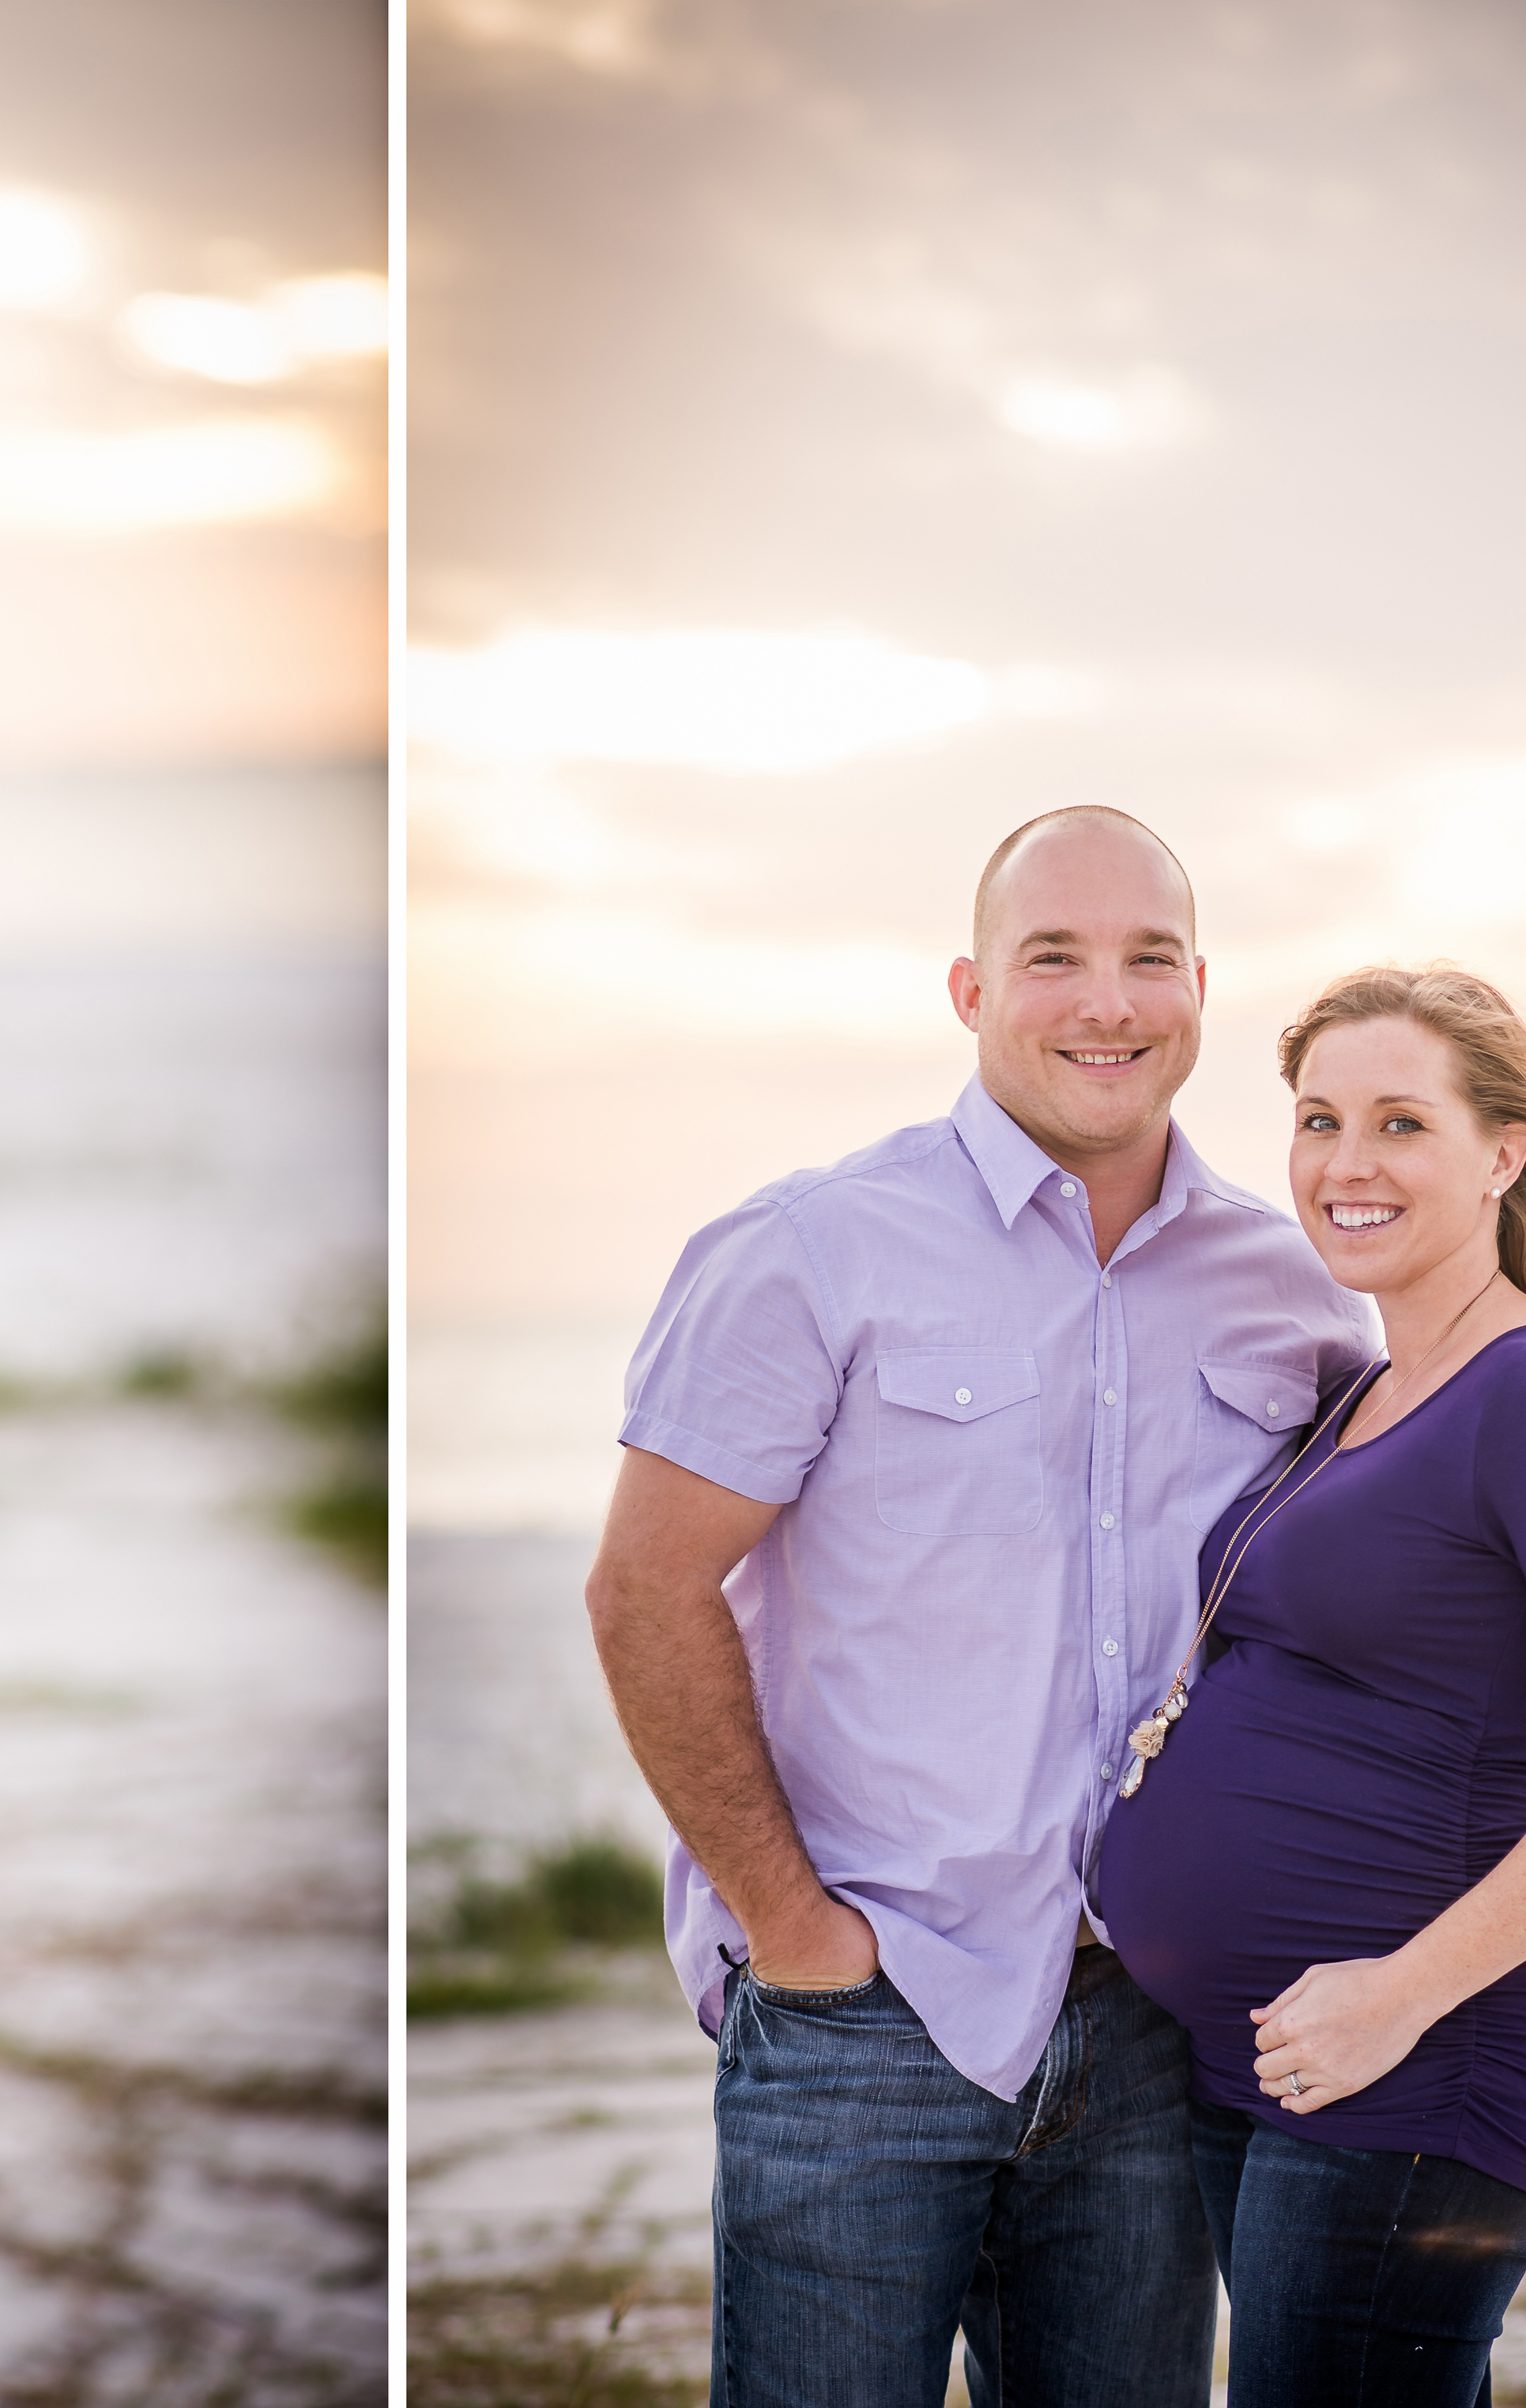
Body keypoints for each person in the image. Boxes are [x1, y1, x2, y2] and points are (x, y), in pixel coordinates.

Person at [586, 807, 1374, 2406]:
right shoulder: (806, 1253)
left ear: (1201, 988)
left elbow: (1354, 1608)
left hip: (1154, 2022)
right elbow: (640, 1590)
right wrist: (796, 1934)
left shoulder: (1288, 1290)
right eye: (1052, 958)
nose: (1106, 1002)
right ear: (965, 990)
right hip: (862, 2015)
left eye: (1147, 958)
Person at [1095, 967, 1526, 2405]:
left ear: (1502, 1153)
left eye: (1400, 1123)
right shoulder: (1362, 1392)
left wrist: (1401, 1995)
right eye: (1319, 1121)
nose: (1347, 1165)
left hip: (1424, 2067)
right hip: (1276, 2064)